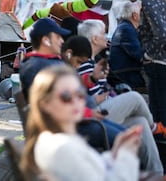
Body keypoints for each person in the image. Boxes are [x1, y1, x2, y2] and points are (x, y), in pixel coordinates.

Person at [62, 35, 164, 175]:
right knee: (135, 97)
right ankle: (155, 127)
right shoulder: (70, 70)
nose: (106, 36)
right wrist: (96, 100)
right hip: (91, 121)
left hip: (93, 114)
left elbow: (82, 90)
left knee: (140, 122)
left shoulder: (80, 68)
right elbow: (76, 104)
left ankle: (157, 173)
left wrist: (95, 82)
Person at [19, 64, 141, 180]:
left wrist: (115, 153)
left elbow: (89, 169)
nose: (75, 101)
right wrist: (126, 156)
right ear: (45, 103)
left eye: (80, 94)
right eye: (66, 97)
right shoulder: (62, 148)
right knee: (135, 100)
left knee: (140, 120)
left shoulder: (56, 139)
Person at [19, 18, 122, 150]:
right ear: (46, 40)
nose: (62, 41)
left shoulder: (48, 62)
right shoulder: (37, 67)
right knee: (131, 133)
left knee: (137, 127)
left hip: (84, 120)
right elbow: (54, 103)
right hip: (75, 126)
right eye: (58, 37)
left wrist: (92, 79)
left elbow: (66, 90)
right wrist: (88, 113)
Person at [116, 0, 166, 139]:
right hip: (162, 62)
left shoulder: (149, 1)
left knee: (159, 113)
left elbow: (162, 33)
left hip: (157, 64)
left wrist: (148, 54)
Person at [109, 1, 146, 92]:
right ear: (135, 15)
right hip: (130, 76)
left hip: (130, 74)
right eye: (142, 11)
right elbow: (140, 55)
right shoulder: (126, 29)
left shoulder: (127, 27)